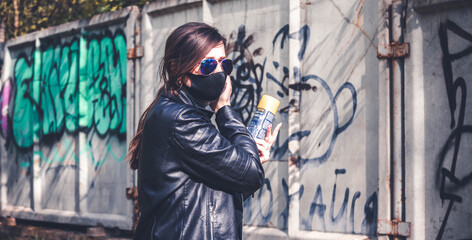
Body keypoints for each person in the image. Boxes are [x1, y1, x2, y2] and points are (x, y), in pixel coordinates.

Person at [127, 22, 281, 240]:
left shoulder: (181, 114)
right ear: (177, 69)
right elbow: (251, 176)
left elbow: (213, 198)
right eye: (208, 65)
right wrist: (223, 109)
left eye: (224, 64)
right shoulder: (181, 120)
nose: (219, 72)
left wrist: (250, 159)